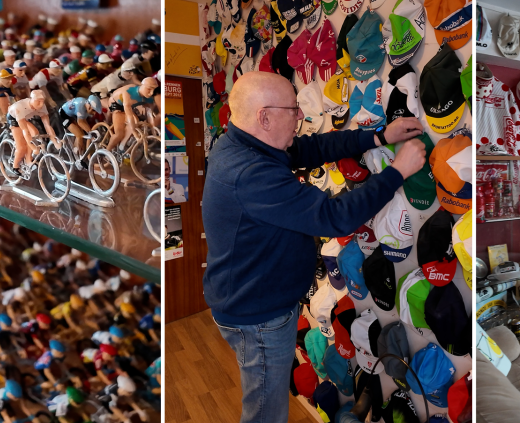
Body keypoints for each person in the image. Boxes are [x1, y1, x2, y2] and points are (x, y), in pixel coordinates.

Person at [201, 72, 425, 423]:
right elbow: (334, 217)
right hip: (258, 316)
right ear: (265, 117)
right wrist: (397, 170)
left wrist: (380, 136)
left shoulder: (244, 143)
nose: (300, 117)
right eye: (293, 109)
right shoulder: (249, 172)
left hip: (258, 304)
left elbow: (313, 148)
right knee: (265, 415)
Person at [6, 89, 60, 174]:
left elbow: (47, 126)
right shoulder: (20, 108)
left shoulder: (42, 106)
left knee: (35, 134)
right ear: (32, 99)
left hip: (26, 117)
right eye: (38, 101)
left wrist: (55, 142)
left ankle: (28, 160)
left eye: (42, 101)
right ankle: (15, 166)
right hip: (14, 118)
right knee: (21, 146)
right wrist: (34, 148)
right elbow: (25, 130)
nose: (41, 104)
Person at [105, 77, 159, 154]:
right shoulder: (129, 92)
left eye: (154, 90)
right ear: (142, 86)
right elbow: (130, 116)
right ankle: (106, 151)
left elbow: (150, 113)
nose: (151, 93)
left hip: (129, 106)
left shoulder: (148, 97)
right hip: (117, 105)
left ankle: (122, 145)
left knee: (137, 122)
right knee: (119, 134)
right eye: (149, 89)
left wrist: (154, 130)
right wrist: (135, 134)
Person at [59, 94, 102, 164]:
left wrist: (90, 132)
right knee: (79, 135)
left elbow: (84, 121)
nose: (94, 114)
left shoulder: (85, 106)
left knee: (81, 133)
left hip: (70, 115)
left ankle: (78, 152)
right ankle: (77, 155)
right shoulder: (81, 106)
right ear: (89, 107)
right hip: (63, 115)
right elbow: (80, 123)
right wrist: (90, 132)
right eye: (94, 111)